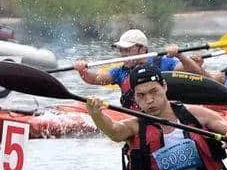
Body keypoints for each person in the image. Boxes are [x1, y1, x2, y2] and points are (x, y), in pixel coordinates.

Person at [85, 64, 227, 170]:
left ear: (164, 87)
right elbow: (114, 131)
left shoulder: (196, 114)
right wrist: (95, 113)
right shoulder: (136, 126)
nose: (149, 100)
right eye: (142, 95)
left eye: (154, 92)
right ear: (135, 98)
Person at [75, 28, 206, 110]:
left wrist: (180, 55)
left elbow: (194, 72)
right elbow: (96, 79)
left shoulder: (162, 63)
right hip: (133, 117)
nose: (124, 54)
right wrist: (82, 70)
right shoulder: (121, 71)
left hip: (162, 113)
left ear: (142, 49)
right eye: (121, 50)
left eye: (128, 49)